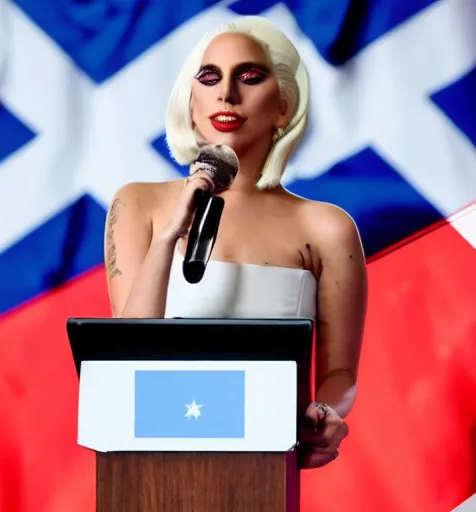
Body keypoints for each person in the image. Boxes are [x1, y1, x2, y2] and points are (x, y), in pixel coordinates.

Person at [104, 16, 367, 470]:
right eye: (209, 78)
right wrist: (169, 236)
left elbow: (339, 374)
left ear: (284, 106)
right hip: (149, 462)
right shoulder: (137, 204)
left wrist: (323, 416)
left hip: (265, 460)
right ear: (191, 105)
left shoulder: (327, 228)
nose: (227, 93)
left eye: (249, 76)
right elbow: (130, 355)